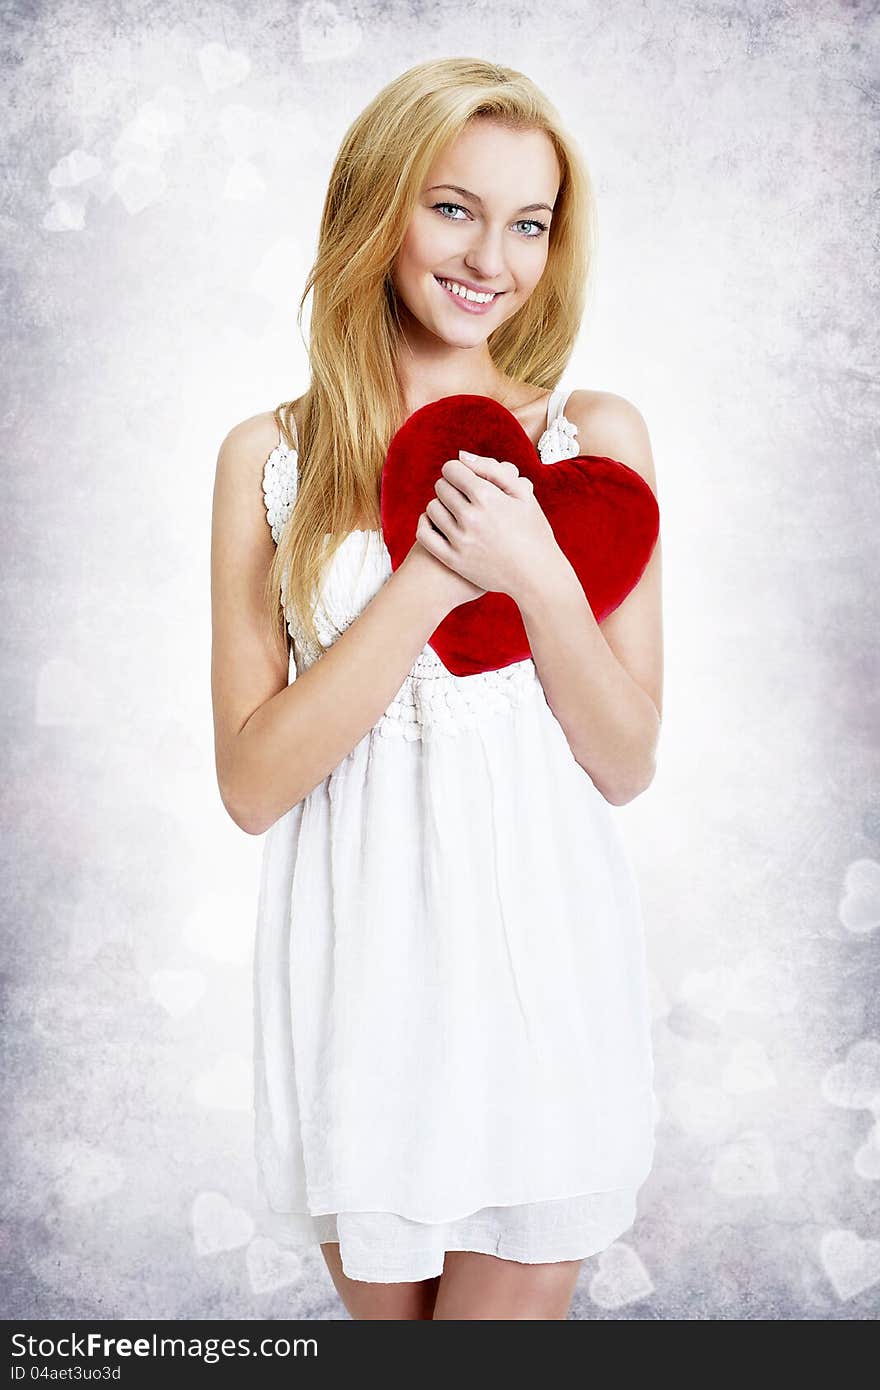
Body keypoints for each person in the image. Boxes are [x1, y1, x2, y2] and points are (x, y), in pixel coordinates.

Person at [210, 56, 663, 1321]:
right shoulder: (273, 457)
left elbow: (625, 760)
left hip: (538, 974)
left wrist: (535, 574)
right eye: (453, 207)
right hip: (363, 986)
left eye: (529, 223)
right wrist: (427, 580)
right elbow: (251, 784)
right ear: (378, 207)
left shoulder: (594, 441)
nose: (492, 258)